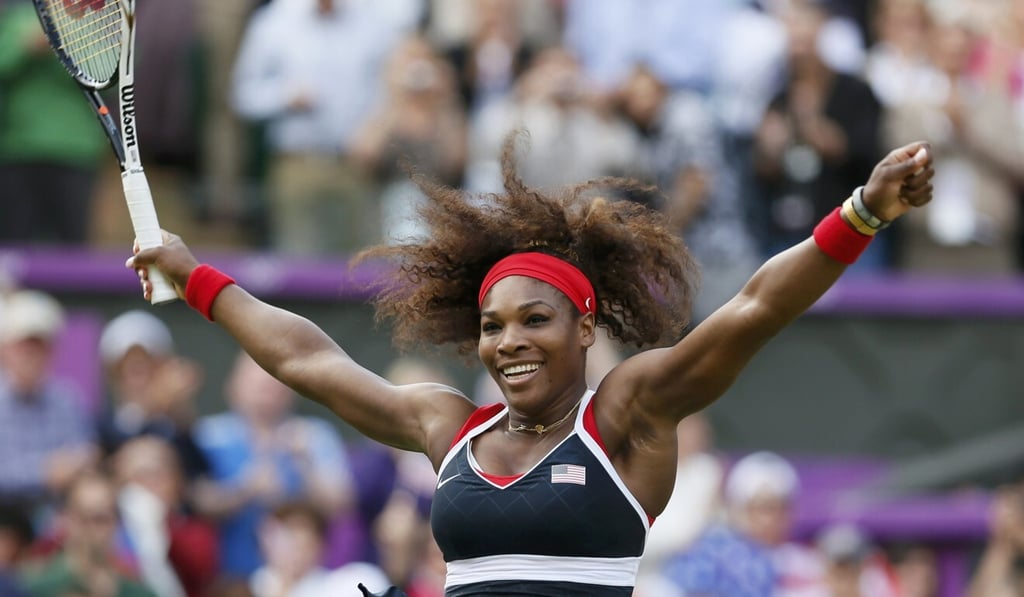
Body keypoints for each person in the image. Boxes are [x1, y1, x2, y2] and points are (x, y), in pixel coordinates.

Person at [128, 132, 934, 595]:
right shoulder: (448, 426)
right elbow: (306, 358)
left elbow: (755, 307)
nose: (507, 339)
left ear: (585, 328)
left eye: (533, 320)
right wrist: (196, 277)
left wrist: (863, 212)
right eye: (492, 325)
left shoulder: (627, 414)